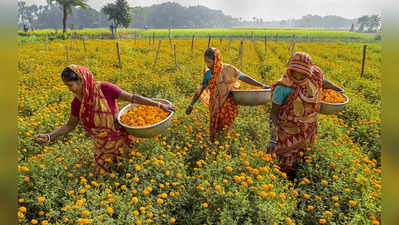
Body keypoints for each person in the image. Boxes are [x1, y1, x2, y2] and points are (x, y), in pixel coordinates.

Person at [35, 65, 175, 173]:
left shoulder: (105, 88)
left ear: (81, 80)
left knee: (129, 169)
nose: (69, 89)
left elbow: (132, 98)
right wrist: (49, 136)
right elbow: (70, 125)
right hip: (101, 145)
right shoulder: (77, 103)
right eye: (67, 86)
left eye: (70, 85)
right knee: (103, 174)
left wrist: (158, 105)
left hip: (121, 139)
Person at [267, 52, 343, 179]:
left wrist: (339, 90)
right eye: (295, 71)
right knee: (285, 162)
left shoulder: (315, 76)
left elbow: (323, 82)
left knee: (304, 157)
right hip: (288, 132)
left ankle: (300, 177)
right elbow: (274, 112)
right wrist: (273, 137)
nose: (298, 76)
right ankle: (285, 182)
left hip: (308, 129)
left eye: (303, 73)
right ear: (289, 68)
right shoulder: (282, 87)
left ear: (309, 71)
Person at [186, 47, 269, 142]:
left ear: (216, 60)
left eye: (209, 62)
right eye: (206, 62)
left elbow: (243, 77)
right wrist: (191, 104)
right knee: (214, 129)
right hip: (214, 106)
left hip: (228, 105)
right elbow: (200, 90)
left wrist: (261, 85)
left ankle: (225, 146)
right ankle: (214, 147)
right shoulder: (207, 74)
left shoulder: (228, 69)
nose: (207, 65)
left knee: (226, 130)